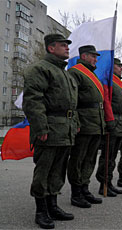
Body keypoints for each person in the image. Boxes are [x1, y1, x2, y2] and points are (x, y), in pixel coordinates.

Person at [23, 34, 77, 229]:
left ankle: (53, 206)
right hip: (50, 128)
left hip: (65, 129)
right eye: (63, 45)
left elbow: (72, 105)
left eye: (67, 45)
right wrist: (40, 127)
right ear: (51, 48)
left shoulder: (65, 73)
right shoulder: (40, 69)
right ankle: (41, 210)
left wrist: (75, 123)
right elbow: (33, 100)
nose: (67, 48)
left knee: (58, 170)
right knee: (44, 170)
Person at [67, 45, 103, 208]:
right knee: (78, 158)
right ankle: (76, 192)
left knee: (90, 158)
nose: (96, 59)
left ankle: (84, 187)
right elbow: (72, 100)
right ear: (84, 56)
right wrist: (76, 122)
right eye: (93, 56)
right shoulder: (75, 72)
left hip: (96, 122)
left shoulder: (92, 75)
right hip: (84, 121)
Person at [96, 58, 122, 197]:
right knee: (107, 156)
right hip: (112, 120)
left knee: (112, 156)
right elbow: (106, 101)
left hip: (119, 122)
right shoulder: (108, 81)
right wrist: (109, 121)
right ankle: (103, 183)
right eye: (118, 66)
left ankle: (108, 183)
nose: (121, 68)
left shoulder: (118, 83)